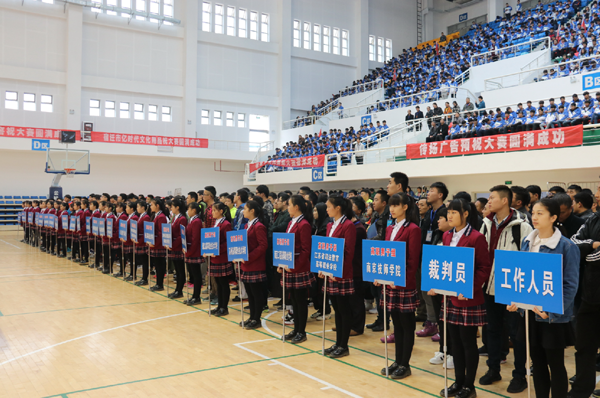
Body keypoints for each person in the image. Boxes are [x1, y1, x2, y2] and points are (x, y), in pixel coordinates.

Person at [507, 198, 580, 398]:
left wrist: (552, 309)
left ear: (553, 217)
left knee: (555, 364)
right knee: (536, 363)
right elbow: (522, 276)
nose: (535, 217)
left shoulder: (566, 246)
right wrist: (516, 301)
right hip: (530, 314)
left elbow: (570, 285)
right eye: (533, 212)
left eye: (540, 213)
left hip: (551, 316)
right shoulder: (527, 242)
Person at [429, 198, 491, 398]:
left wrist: (469, 288)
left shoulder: (476, 237)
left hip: (468, 298)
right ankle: (458, 381)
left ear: (465, 214)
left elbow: (484, 268)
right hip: (449, 297)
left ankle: (469, 386)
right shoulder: (446, 235)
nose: (450, 215)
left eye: (454, 212)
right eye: (449, 212)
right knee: (454, 342)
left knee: (468, 343)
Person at [479, 185, 532, 393]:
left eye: (492, 198)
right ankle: (493, 369)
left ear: (505, 201)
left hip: (512, 288)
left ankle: (519, 375)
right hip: (489, 286)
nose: (488, 201)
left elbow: (527, 260)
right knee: (492, 329)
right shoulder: (485, 223)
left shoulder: (522, 226)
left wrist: (520, 293)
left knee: (516, 334)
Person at [378, 193, 422, 379]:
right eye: (391, 205)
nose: (392, 208)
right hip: (390, 283)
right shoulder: (390, 228)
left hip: (403, 285)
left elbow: (412, 261)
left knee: (406, 324)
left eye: (396, 205)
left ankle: (405, 363)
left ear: (405, 207)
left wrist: (401, 280)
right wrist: (380, 276)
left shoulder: (413, 229)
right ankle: (397, 360)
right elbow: (387, 255)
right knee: (396, 324)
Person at [569, 209, 600, 398]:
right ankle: (580, 391)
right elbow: (574, 242)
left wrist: (587, 254)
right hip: (590, 295)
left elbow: (591, 257)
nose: (598, 193)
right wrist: (593, 244)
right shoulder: (594, 218)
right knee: (584, 347)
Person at [322, 196, 357, 358]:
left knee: (344, 310)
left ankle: (344, 345)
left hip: (341, 274)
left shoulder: (348, 225)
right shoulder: (330, 225)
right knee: (336, 309)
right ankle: (337, 343)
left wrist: (338, 272)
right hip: (330, 273)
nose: (327, 209)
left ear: (338, 208)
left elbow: (348, 253)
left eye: (329, 206)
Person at [280, 195, 315, 343]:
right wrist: (282, 264)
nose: (287, 207)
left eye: (289, 205)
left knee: (300, 301)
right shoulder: (291, 222)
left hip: (298, 268)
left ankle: (302, 331)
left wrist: (294, 267)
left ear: (297, 207)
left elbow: (306, 250)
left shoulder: (304, 224)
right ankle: (295, 329)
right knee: (293, 300)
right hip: (289, 267)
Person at [240, 200, 268, 330]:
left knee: (256, 293)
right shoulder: (247, 226)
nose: (243, 211)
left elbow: (263, 246)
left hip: (255, 264)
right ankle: (251, 317)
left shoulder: (259, 226)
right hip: (246, 264)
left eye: (245, 208)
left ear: (252, 211)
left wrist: (249, 257)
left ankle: (257, 318)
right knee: (250, 293)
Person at [208, 202, 234, 315]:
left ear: (221, 211)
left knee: (223, 283)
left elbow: (228, 242)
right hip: (214, 257)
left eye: (214, 210)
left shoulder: (226, 224)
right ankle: (219, 306)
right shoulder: (215, 223)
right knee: (218, 283)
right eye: (212, 210)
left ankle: (224, 307)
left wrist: (217, 250)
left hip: (222, 257)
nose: (212, 212)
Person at [168, 198, 188, 299]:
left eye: (172, 206)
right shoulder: (175, 217)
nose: (171, 208)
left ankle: (179, 290)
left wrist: (173, 244)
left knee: (180, 270)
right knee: (177, 269)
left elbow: (182, 235)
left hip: (178, 247)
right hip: (173, 246)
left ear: (177, 207)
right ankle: (176, 289)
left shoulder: (182, 218)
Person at [183, 202, 203, 305]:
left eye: (189, 209)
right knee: (193, 274)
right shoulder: (191, 220)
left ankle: (197, 297)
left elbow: (195, 239)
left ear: (194, 210)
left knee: (196, 275)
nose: (187, 211)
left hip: (194, 251)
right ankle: (194, 296)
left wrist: (190, 251)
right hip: (190, 250)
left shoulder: (197, 221)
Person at [147, 198, 168, 291]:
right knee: (157, 265)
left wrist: (154, 243)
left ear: (157, 206)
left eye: (152, 205)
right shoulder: (156, 215)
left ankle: (160, 284)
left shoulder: (161, 217)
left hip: (159, 245)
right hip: (155, 244)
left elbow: (161, 233)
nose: (150, 207)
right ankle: (158, 284)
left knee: (160, 265)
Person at [134, 201, 151, 286]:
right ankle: (143, 278)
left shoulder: (146, 217)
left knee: (145, 261)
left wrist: (140, 240)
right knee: (142, 260)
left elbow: (146, 231)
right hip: (139, 241)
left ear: (143, 207)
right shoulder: (141, 216)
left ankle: (145, 278)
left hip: (143, 242)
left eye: (138, 206)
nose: (137, 208)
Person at [123, 201, 139, 281]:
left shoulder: (135, 217)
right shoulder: (129, 216)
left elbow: (133, 230)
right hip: (128, 239)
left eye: (127, 207)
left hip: (131, 240)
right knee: (130, 258)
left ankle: (133, 274)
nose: (126, 209)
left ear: (132, 208)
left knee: (133, 259)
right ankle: (131, 274)